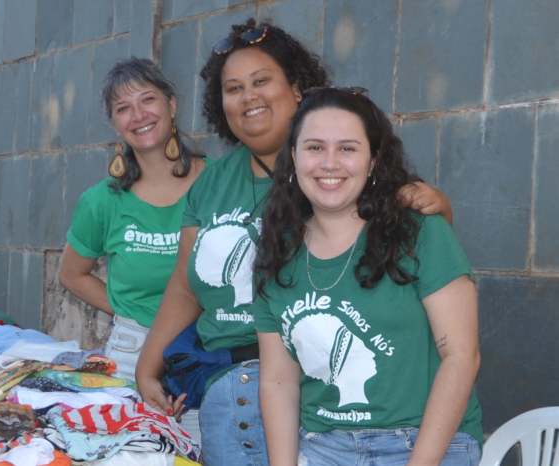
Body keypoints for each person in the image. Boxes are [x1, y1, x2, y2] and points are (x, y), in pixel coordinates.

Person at [136, 19, 454, 466]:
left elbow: (420, 237)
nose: (248, 97)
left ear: (298, 88)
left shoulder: (334, 173)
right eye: (232, 88)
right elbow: (185, 286)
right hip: (218, 374)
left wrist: (436, 203)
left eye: (261, 81)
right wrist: (147, 367)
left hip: (302, 380)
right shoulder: (210, 185)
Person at [253, 87, 482, 465]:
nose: (330, 163)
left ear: (373, 161)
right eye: (314, 147)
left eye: (347, 148)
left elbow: (461, 356)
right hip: (323, 444)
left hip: (424, 441)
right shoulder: (276, 252)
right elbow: (278, 379)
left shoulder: (420, 233)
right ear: (292, 157)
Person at [59, 57, 206, 384]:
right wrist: (129, 312)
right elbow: (72, 274)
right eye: (123, 108)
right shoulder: (102, 200)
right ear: (115, 124)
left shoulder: (217, 182)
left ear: (171, 104)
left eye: (148, 100)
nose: (138, 115)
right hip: (131, 352)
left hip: (207, 349)